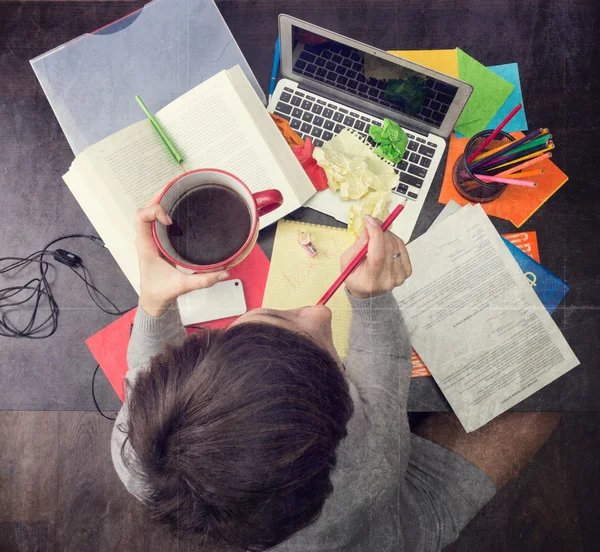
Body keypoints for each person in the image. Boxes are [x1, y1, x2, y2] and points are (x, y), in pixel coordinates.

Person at [112, 197, 561, 551]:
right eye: (332, 358)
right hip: (396, 517)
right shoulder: (366, 462)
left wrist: (154, 301)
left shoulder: (141, 443)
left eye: (279, 317)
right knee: (546, 396)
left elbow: (148, 366)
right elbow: (384, 371)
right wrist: (369, 297)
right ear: (341, 422)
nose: (319, 313)